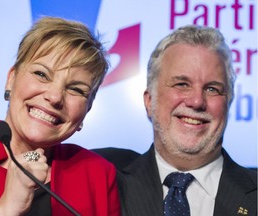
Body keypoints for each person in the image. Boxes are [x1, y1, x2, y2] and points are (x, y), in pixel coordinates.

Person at [96, 25, 257, 216]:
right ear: (149, 101)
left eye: (212, 89)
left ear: (228, 102)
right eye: (182, 84)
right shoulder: (102, 180)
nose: (197, 101)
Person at [0, 16, 121, 216]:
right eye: (42, 74)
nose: (55, 97)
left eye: (76, 89)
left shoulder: (97, 174)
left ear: (88, 109)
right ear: (11, 79)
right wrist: (6, 210)